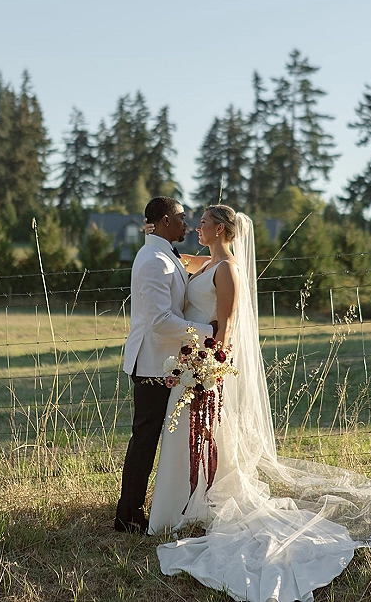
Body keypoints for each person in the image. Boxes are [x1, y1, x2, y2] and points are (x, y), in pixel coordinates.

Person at [149, 205, 371, 602]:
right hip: (187, 362)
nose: (198, 226)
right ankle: (182, 506)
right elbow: (178, 259)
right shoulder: (210, 262)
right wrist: (154, 237)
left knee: (194, 435)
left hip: (204, 365)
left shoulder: (228, 270)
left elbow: (226, 329)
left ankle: (193, 505)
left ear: (223, 229)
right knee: (185, 436)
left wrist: (208, 368)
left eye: (205, 222)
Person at [114, 196, 216, 534]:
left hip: (165, 363)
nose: (186, 224)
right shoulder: (153, 261)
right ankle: (128, 515)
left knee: (150, 439)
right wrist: (207, 333)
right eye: (181, 217)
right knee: (144, 440)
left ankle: (142, 507)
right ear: (162, 221)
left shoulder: (165, 255)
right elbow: (159, 321)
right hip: (152, 364)